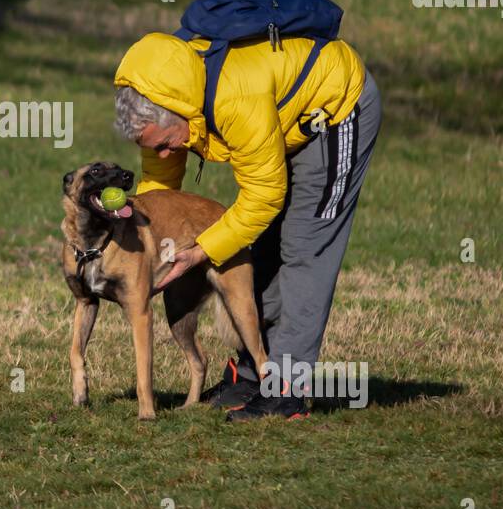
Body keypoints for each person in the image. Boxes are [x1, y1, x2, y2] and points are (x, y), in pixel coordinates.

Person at [113, 28, 381, 420]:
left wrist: (201, 252)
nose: (166, 153)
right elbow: (159, 196)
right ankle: (255, 372)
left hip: (335, 111)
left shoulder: (234, 100)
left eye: (168, 142)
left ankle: (286, 389)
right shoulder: (169, 98)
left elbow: (263, 197)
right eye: (154, 148)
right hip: (281, 122)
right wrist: (148, 251)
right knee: (262, 248)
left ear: (180, 112)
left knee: (304, 248)